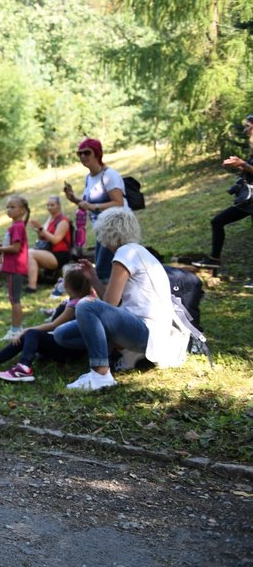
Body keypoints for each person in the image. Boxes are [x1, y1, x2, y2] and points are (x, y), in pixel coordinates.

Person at [52, 208, 188, 391]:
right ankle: (113, 353)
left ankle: (100, 374)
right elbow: (111, 302)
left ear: (108, 231)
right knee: (62, 334)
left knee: (85, 305)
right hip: (142, 327)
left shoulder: (125, 253)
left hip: (147, 332)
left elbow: (109, 303)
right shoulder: (137, 251)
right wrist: (92, 277)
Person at [0, 267, 92, 383]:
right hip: (66, 344)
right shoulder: (84, 296)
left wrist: (25, 330)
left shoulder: (75, 305)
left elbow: (53, 325)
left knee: (31, 333)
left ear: (68, 286)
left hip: (71, 350)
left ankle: (24, 368)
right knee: (28, 336)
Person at [62, 138, 128, 282]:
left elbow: (118, 203)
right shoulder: (89, 177)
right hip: (102, 231)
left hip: (115, 231)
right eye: (80, 154)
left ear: (97, 154)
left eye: (87, 153)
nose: (83, 157)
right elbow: (88, 204)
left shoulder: (109, 175)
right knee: (104, 272)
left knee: (105, 272)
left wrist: (93, 207)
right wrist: (73, 198)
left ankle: (110, 302)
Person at [194, 114, 253, 269]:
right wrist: (237, 166)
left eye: (248, 125)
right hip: (249, 200)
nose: (246, 129)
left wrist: (244, 164)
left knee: (218, 221)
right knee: (217, 221)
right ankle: (214, 259)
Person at [0, 196, 30, 341]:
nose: (9, 210)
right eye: (7, 207)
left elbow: (15, 248)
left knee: (15, 299)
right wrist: (0, 247)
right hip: (14, 267)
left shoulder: (17, 227)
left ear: (22, 210)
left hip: (16, 267)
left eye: (12, 207)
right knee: (13, 298)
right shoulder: (15, 226)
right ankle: (16, 328)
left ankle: (15, 330)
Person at [26, 195, 73, 292]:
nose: (49, 207)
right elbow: (43, 237)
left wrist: (41, 228)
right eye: (48, 205)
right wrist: (37, 230)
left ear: (59, 206)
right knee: (28, 253)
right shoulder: (50, 219)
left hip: (60, 255)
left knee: (29, 253)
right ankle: (37, 281)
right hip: (48, 252)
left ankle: (32, 286)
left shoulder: (63, 221)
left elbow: (55, 240)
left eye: (52, 205)